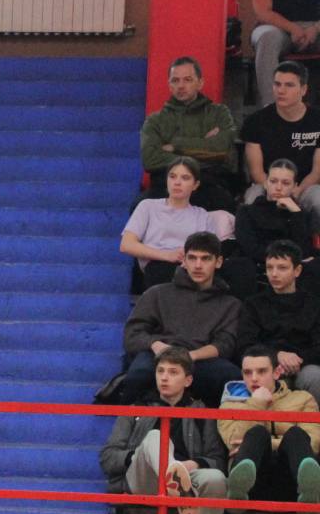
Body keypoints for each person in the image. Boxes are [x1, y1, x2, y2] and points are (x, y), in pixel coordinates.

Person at [98, 346, 231, 514]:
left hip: (187, 475)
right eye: (160, 371)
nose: (164, 377)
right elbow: (108, 457)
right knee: (156, 438)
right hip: (144, 478)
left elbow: (217, 460)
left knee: (216, 479)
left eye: (173, 372)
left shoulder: (203, 413)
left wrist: (193, 463)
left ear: (188, 380)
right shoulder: (137, 409)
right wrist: (137, 456)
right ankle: (174, 477)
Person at [118, 231, 242, 407]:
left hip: (200, 359)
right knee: (139, 374)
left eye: (205, 259)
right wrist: (157, 345)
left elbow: (225, 344)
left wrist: (190, 356)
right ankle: (130, 422)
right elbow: (133, 334)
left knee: (231, 377)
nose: (198, 265)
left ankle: (213, 425)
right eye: (192, 258)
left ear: (218, 262)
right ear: (184, 259)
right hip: (159, 354)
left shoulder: (230, 304)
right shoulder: (157, 293)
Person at [221, 344, 320, 506]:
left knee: (296, 434)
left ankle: (308, 496)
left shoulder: (303, 398)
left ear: (277, 372)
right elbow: (233, 442)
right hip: (254, 481)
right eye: (247, 372)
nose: (254, 378)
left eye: (261, 371)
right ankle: (238, 496)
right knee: (257, 433)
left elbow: (313, 443)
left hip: (291, 477)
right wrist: (256, 404)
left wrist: (272, 443)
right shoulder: (229, 405)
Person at [139, 56, 238, 207]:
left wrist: (176, 146)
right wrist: (203, 151)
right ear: (169, 85)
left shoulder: (219, 113)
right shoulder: (155, 120)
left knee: (226, 204)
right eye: (175, 80)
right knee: (139, 205)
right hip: (165, 185)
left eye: (187, 80)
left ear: (200, 83)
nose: (181, 86)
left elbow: (222, 150)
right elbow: (150, 159)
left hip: (207, 184)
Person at [236, 239, 320, 400]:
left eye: (282, 268)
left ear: (297, 270)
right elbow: (245, 344)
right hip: (266, 366)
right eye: (269, 268)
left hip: (306, 365)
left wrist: (296, 360)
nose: (274, 274)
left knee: (316, 378)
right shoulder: (254, 304)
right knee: (262, 378)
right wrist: (277, 356)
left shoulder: (314, 304)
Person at [240, 61, 320, 227]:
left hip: (305, 186)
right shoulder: (255, 121)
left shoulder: (317, 120)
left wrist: (297, 190)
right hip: (267, 185)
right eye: (277, 84)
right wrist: (276, 189)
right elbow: (256, 171)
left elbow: (317, 171)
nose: (281, 90)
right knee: (252, 198)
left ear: (303, 89)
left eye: (289, 85)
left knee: (318, 199)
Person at [121, 157, 215, 291]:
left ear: (195, 185)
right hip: (157, 265)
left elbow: (209, 249)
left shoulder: (202, 215)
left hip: (190, 267)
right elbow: (127, 244)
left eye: (185, 178)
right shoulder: (148, 206)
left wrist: (188, 259)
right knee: (162, 271)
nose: (177, 182)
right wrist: (167, 255)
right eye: (172, 176)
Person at [227, 160, 309, 297]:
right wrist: (281, 259)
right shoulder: (246, 211)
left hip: (292, 268)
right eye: (273, 181)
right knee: (240, 266)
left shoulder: (300, 214)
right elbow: (249, 247)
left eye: (285, 183)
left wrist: (296, 213)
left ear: (295, 186)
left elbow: (304, 248)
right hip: (256, 264)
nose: (278, 187)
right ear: (266, 183)